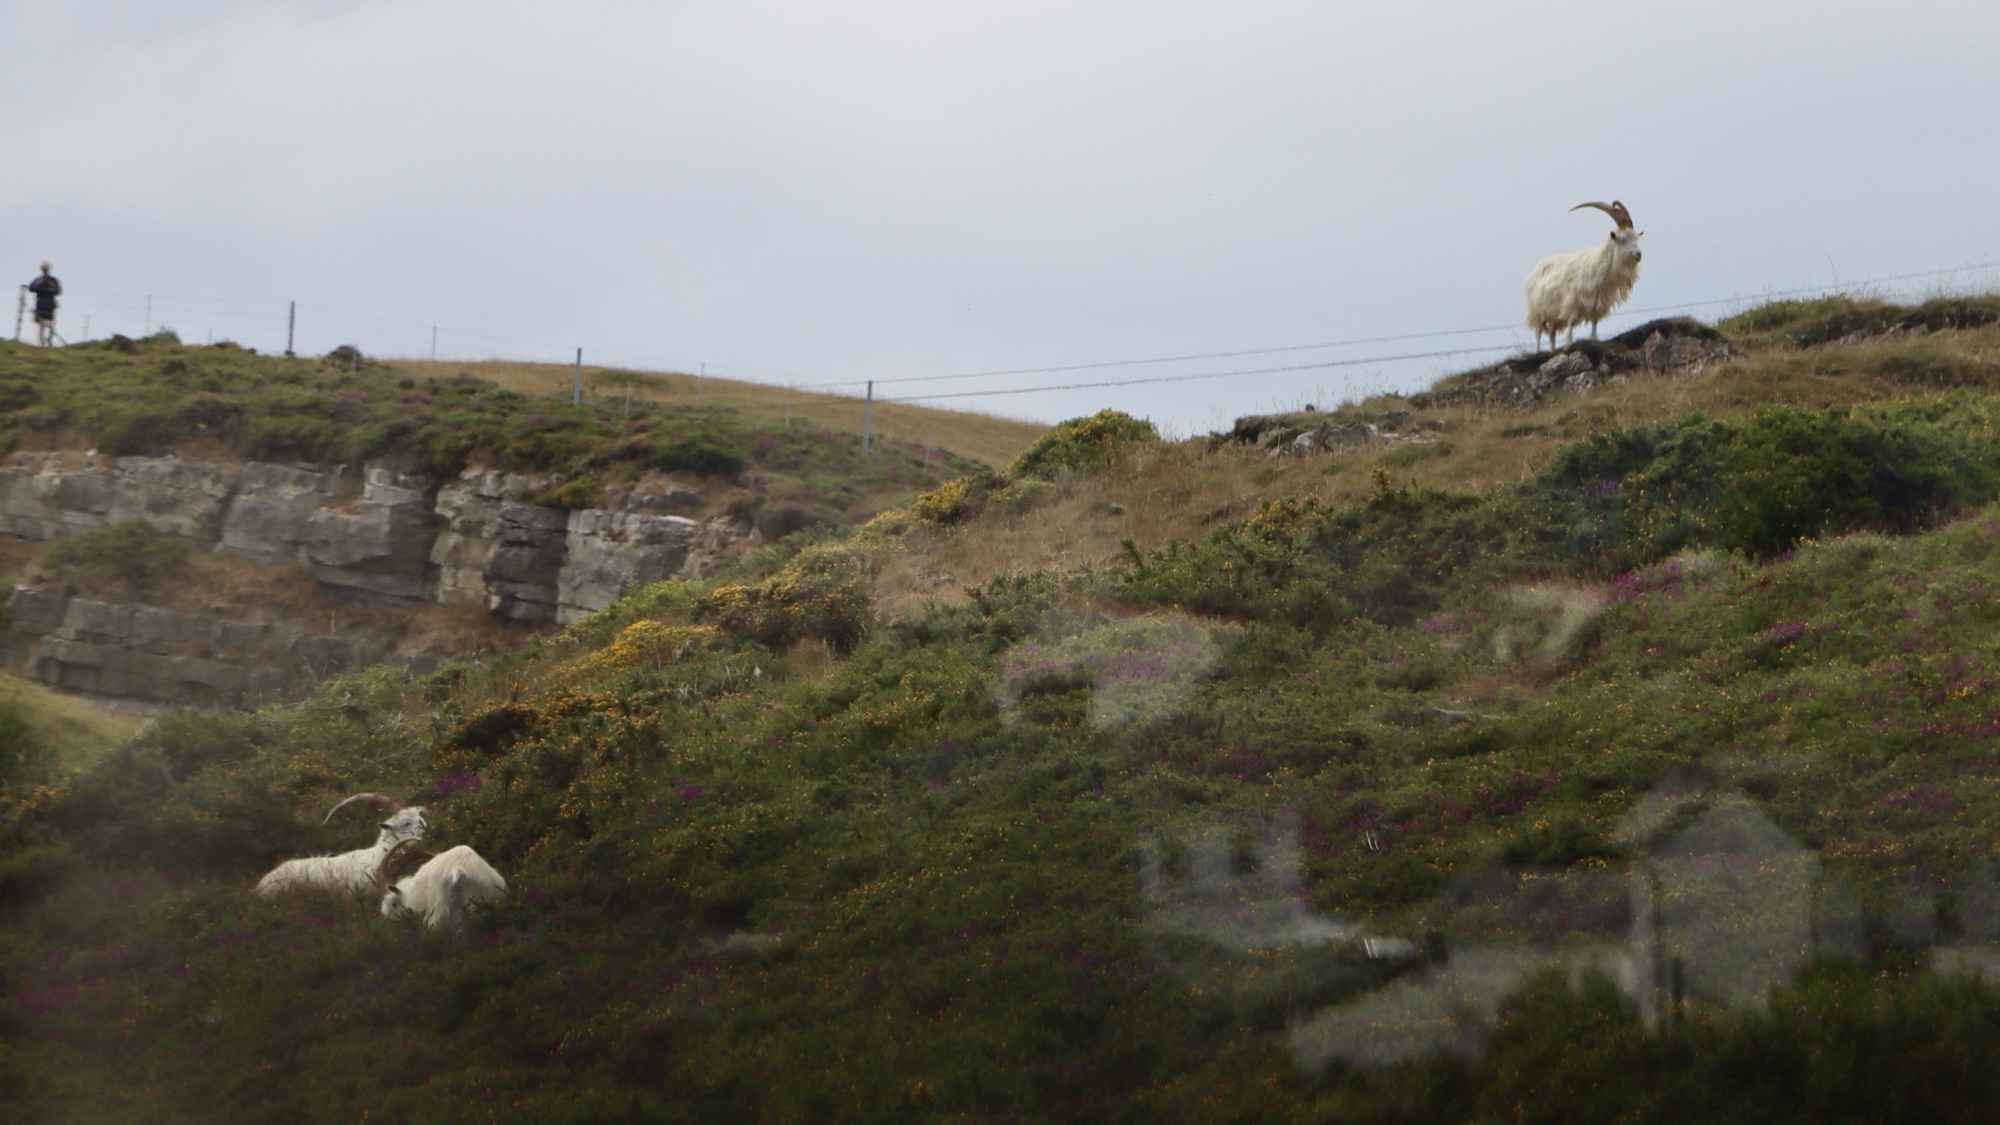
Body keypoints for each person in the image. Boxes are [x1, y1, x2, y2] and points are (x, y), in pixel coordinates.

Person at [27, 262, 60, 346]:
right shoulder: (39, 280)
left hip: (49, 304)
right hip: (41, 303)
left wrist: (49, 283)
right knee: (41, 323)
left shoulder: (53, 280)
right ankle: (41, 341)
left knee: (50, 322)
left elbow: (58, 291)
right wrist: (40, 282)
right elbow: (31, 288)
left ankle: (49, 339)